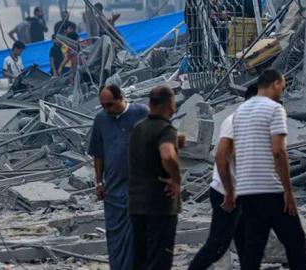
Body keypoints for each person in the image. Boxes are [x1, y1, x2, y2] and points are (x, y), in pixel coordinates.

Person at [230, 68, 306, 270]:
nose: (283, 92)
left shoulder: (240, 112)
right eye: (283, 87)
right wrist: (288, 191)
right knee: (296, 242)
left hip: (246, 191)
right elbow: (279, 151)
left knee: (253, 248)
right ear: (275, 84)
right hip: (270, 189)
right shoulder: (274, 109)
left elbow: (235, 153)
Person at [188, 84, 257, 270]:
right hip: (225, 193)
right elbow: (221, 157)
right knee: (218, 245)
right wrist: (229, 193)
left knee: (247, 243)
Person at [88, 84, 149, 270]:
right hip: (114, 190)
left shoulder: (141, 113)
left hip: (139, 189)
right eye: (103, 106)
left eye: (110, 105)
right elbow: (98, 154)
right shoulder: (101, 120)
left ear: (121, 98)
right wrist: (99, 182)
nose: (107, 110)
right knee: (116, 237)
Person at [128, 85, 182, 270]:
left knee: (140, 258)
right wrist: (176, 179)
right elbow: (167, 155)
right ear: (169, 104)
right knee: (159, 259)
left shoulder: (138, 128)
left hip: (137, 204)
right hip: (160, 205)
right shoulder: (166, 129)